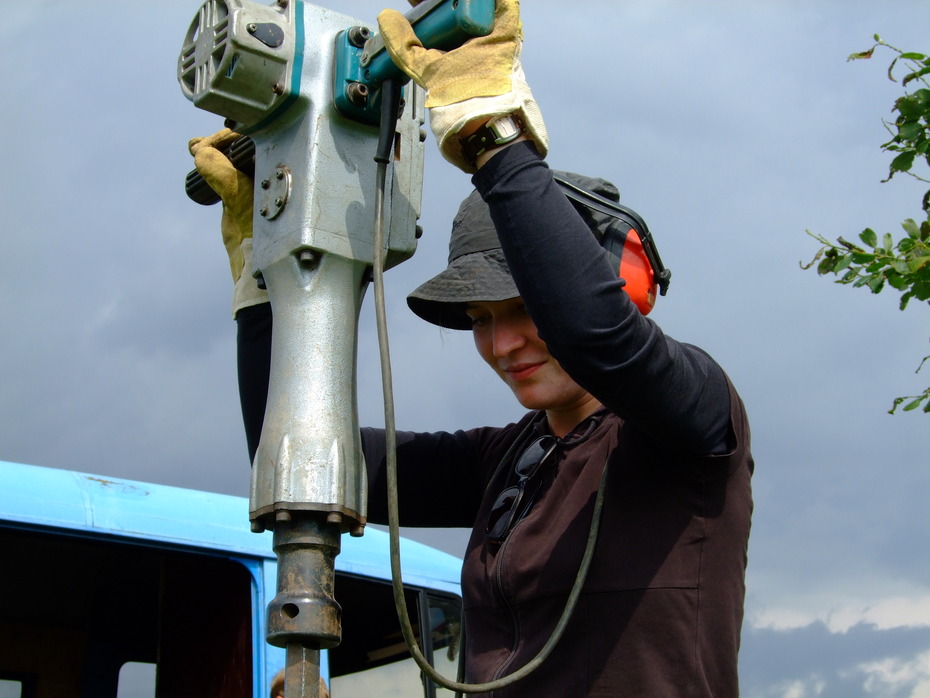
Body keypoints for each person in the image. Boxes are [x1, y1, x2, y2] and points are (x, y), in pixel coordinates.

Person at [190, 1, 753, 694]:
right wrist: (264, 274)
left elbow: (596, 337)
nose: (501, 342)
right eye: (482, 318)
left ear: (621, 285)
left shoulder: (694, 419)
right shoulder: (506, 460)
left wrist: (490, 132)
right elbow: (298, 455)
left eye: (524, 309)